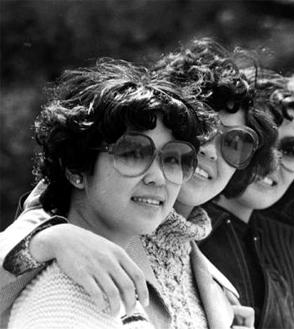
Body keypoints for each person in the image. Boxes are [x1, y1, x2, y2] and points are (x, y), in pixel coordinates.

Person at [0, 39, 271, 329]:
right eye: (203, 133)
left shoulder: (216, 286)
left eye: (234, 142)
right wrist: (51, 240)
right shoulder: (72, 228)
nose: (210, 151)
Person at [6, 58, 202, 328]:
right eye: (133, 153)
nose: (158, 177)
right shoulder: (63, 303)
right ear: (76, 169)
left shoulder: (122, 276)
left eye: (172, 159)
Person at [199, 69, 294, 329]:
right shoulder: (189, 232)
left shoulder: (269, 243)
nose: (275, 161)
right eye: (263, 140)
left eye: (292, 148)